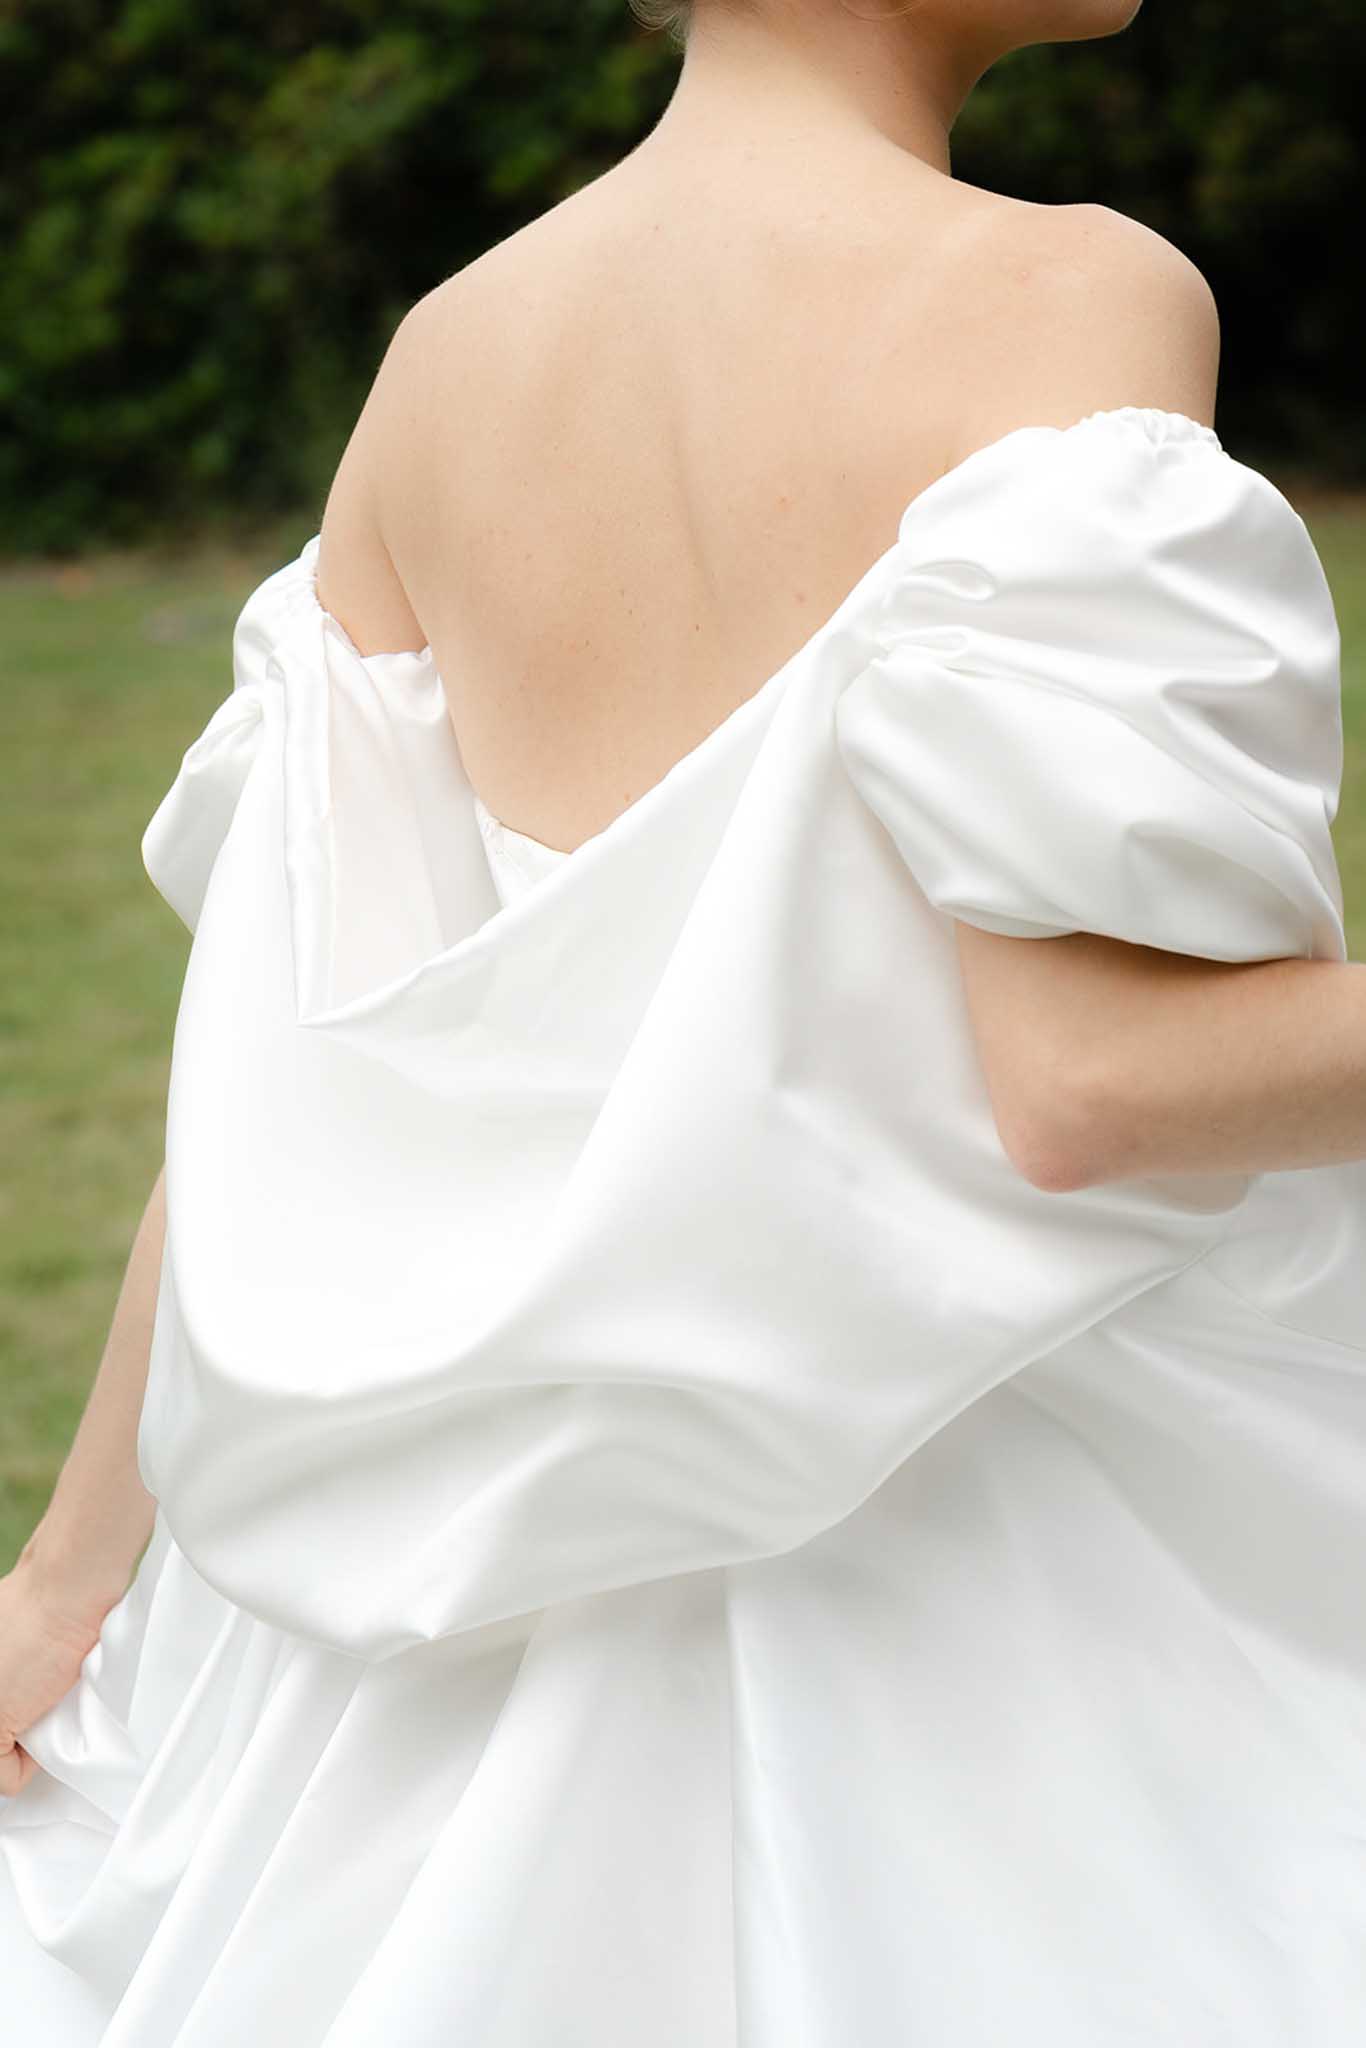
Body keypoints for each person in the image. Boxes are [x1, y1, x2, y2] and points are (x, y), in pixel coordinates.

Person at [3, 0, 1365, 2040]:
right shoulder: (1063, 290)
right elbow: (1087, 1081)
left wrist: (64, 1579)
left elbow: (277, 1072)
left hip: (440, 1637)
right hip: (985, 1588)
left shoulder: (448, 355)